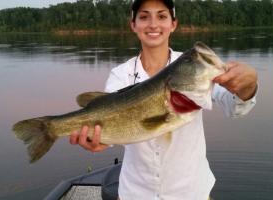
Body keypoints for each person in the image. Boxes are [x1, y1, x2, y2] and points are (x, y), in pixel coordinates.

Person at [70, 0, 258, 199]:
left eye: (161, 16)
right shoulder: (120, 74)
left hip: (192, 192)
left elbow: (236, 107)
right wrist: (97, 141)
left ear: (173, 24)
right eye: (144, 17)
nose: (153, 24)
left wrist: (248, 86)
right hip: (136, 193)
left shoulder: (192, 68)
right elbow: (110, 128)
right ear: (133, 25)